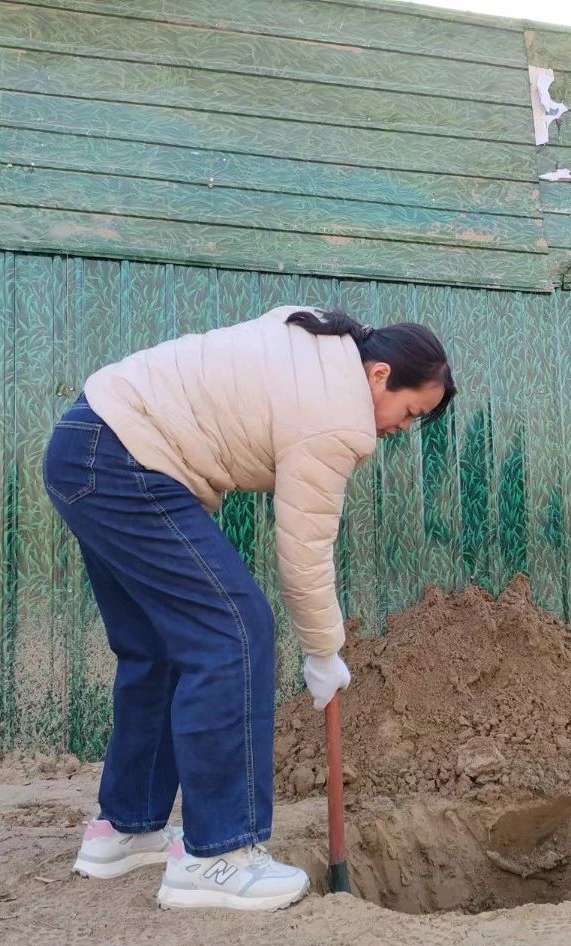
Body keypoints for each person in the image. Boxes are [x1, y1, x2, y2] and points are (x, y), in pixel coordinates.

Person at [43, 306, 455, 909]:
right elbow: (305, 553)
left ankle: (126, 830)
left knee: (157, 644)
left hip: (84, 443)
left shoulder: (313, 340)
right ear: (378, 375)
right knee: (234, 632)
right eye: (410, 411)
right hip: (128, 459)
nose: (401, 428)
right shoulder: (336, 417)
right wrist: (324, 650)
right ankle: (216, 856)